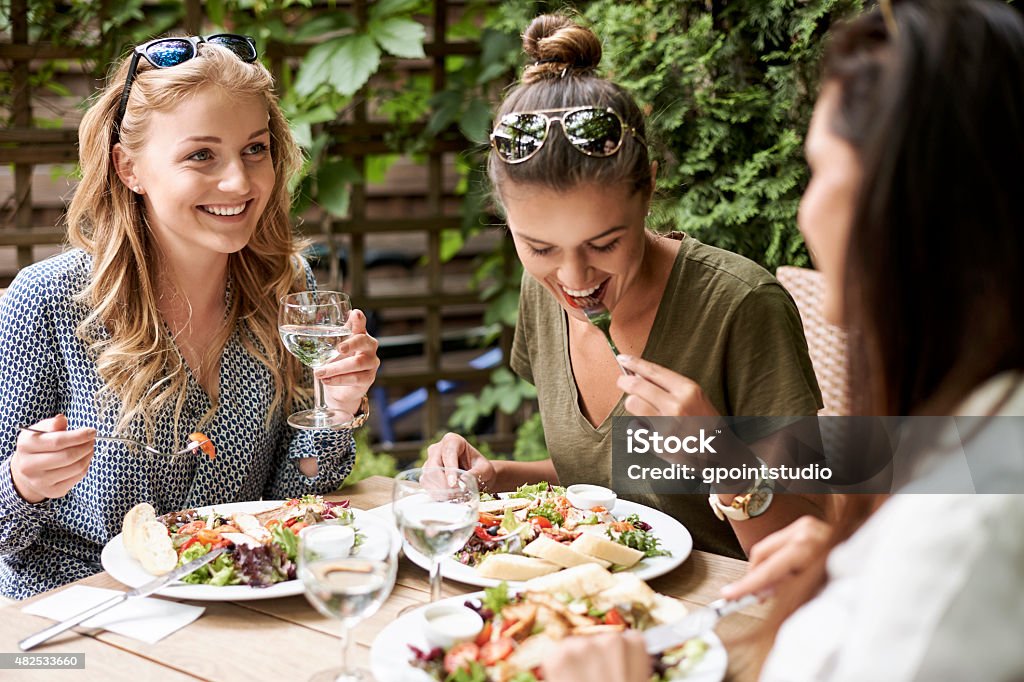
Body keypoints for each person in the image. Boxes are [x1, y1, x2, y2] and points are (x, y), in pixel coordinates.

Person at [544, 1, 1024, 680]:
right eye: (539, 247)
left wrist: (724, 461)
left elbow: (814, 485)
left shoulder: (961, 540)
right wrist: (844, 569)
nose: (804, 207)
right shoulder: (979, 430)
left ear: (907, 202)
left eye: (820, 168)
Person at [427, 14, 825, 558]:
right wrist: (493, 478)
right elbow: (605, 479)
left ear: (650, 188)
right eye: (540, 248)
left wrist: (721, 461)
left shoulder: (742, 305)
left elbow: (811, 549)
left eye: (604, 243)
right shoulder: (540, 293)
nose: (574, 279)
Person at [0, 35, 380, 599]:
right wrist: (22, 484)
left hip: (231, 608)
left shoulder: (284, 291)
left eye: (255, 149)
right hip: (79, 617)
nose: (239, 182)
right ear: (128, 167)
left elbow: (286, 504)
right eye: (201, 155)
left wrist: (338, 408)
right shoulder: (49, 301)